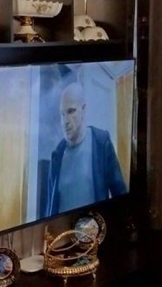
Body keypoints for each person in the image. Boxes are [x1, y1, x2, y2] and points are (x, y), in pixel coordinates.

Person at [43, 82, 127, 217]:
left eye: (71, 111)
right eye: (62, 114)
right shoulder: (57, 155)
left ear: (83, 109)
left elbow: (120, 194)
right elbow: (51, 207)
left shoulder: (101, 142)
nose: (65, 121)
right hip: (65, 229)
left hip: (95, 228)